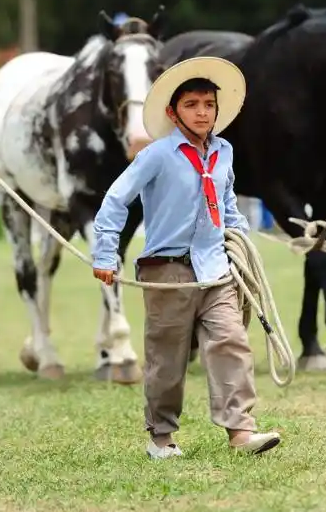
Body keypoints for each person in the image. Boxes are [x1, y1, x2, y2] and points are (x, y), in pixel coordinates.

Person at [90, 56, 282, 460]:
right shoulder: (157, 155)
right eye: (191, 104)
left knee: (231, 342)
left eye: (208, 104)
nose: (201, 112)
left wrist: (240, 245)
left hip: (216, 267)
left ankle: (241, 431)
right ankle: (161, 437)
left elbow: (227, 203)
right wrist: (106, 252)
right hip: (168, 269)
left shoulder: (224, 152)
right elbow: (115, 199)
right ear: (172, 112)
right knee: (167, 358)